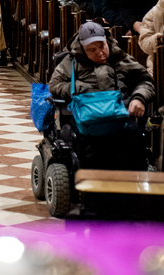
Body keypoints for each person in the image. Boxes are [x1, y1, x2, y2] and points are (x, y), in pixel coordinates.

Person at [49, 21, 154, 171]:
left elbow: (144, 81)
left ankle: (132, 182)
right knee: (84, 145)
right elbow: (54, 85)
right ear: (82, 48)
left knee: (135, 136)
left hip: (119, 116)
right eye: (92, 50)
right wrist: (79, 87)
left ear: (107, 41)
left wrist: (139, 98)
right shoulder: (71, 62)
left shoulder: (120, 58)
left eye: (102, 46)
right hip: (85, 118)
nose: (100, 53)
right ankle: (93, 183)